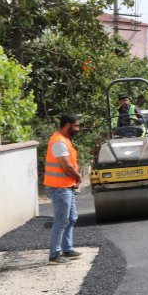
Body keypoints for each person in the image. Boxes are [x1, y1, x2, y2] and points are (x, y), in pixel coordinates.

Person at [44, 114, 83, 265]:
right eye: (76, 126)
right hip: (59, 188)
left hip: (66, 186)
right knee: (61, 221)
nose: (78, 129)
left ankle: (67, 249)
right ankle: (54, 255)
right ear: (67, 125)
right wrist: (79, 177)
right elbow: (66, 166)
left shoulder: (65, 139)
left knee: (71, 218)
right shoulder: (59, 142)